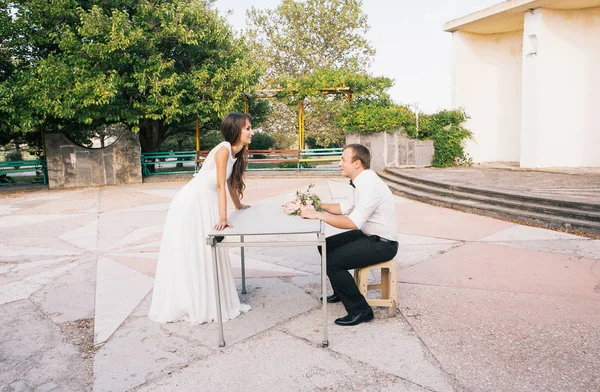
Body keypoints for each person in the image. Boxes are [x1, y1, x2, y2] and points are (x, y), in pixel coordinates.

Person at [148, 112, 254, 325]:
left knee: (206, 251)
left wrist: (239, 206)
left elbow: (231, 182)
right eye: (248, 128)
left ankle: (210, 297)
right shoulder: (224, 149)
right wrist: (223, 217)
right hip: (193, 201)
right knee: (196, 249)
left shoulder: (238, 150)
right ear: (236, 130)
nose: (252, 132)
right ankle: (192, 300)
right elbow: (219, 185)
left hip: (206, 200)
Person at [301, 144, 398, 326]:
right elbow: (344, 208)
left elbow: (352, 222)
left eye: (343, 160)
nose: (339, 164)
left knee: (333, 263)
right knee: (326, 245)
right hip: (369, 235)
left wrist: (319, 215)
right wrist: (316, 205)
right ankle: (341, 289)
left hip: (384, 244)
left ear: (357, 163)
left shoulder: (369, 185)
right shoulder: (362, 181)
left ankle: (361, 311)